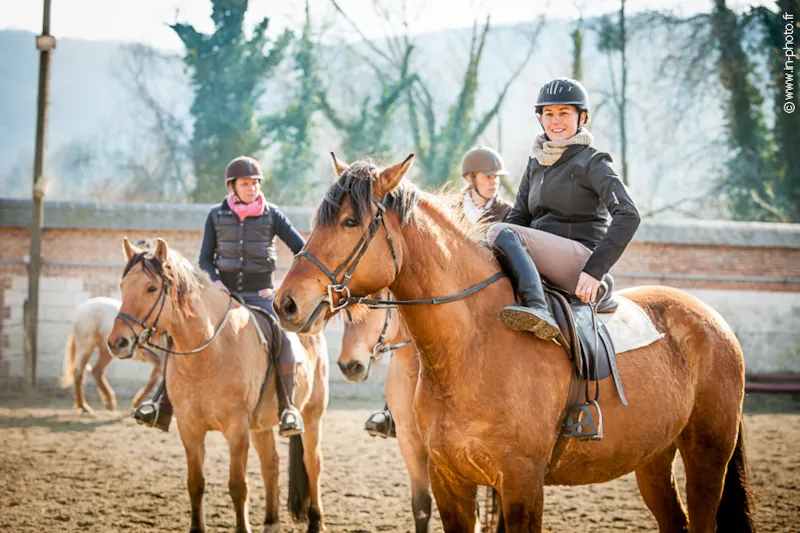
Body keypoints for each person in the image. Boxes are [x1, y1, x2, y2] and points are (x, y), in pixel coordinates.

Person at [133, 155, 307, 437]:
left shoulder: (272, 214)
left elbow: (303, 252)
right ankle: (160, 403)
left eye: (255, 183)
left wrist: (280, 287)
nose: (252, 188)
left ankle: (287, 408)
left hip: (259, 292)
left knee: (283, 336)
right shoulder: (216, 215)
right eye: (245, 183)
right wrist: (214, 282)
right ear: (232, 186)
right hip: (221, 293)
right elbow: (204, 259)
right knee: (181, 331)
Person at [365, 146, 513, 438]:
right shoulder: (450, 212)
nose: (494, 182)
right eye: (487, 176)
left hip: (491, 294)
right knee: (412, 337)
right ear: (470, 178)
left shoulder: (508, 212)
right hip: (451, 295)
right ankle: (390, 412)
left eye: (496, 177)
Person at [487, 77, 640, 340]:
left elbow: (629, 215)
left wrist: (595, 271)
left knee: (499, 232)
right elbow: (520, 217)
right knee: (494, 240)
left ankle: (539, 308)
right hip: (541, 255)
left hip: (580, 261)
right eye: (549, 114)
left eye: (564, 113)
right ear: (541, 119)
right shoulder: (536, 163)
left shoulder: (594, 162)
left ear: (582, 118)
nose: (555, 120)